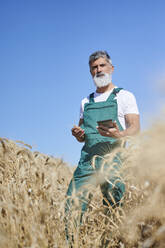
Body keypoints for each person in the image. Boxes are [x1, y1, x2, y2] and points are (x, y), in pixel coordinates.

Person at [65, 50, 140, 240]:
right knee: (72, 204)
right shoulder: (85, 101)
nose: (98, 70)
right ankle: (71, 243)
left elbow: (135, 128)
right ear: (90, 72)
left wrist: (120, 134)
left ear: (111, 68)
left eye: (102, 65)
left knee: (114, 209)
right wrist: (78, 134)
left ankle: (110, 243)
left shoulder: (124, 96)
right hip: (87, 161)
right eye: (94, 67)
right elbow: (83, 134)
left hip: (114, 159)